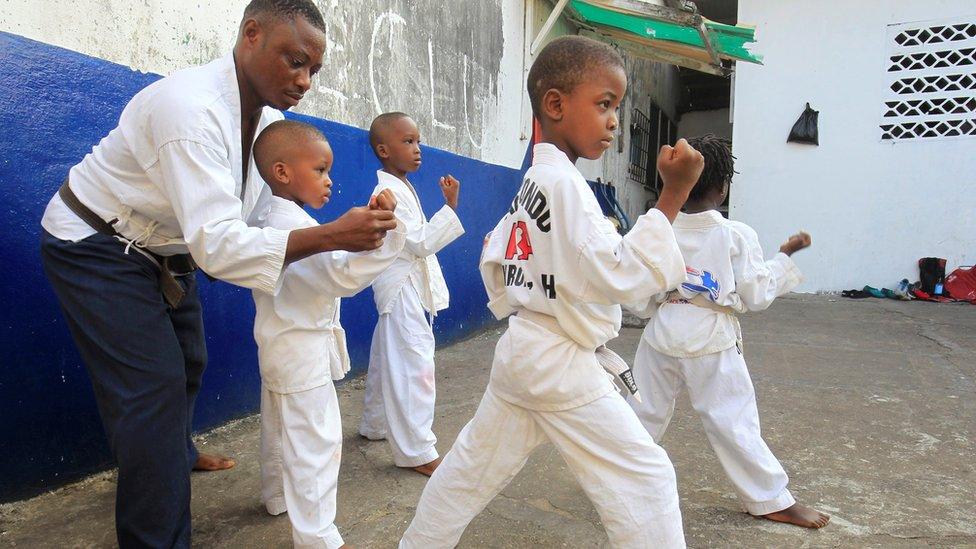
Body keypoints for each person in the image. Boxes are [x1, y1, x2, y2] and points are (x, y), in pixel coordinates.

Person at [38, 2, 396, 546]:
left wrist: (345, 236)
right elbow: (219, 248)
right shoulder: (190, 109)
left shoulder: (269, 120)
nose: (303, 81)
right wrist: (329, 236)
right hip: (96, 240)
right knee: (152, 397)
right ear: (251, 34)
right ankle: (157, 525)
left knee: (189, 363)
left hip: (165, 245)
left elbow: (262, 213)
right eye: (294, 61)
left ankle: (172, 454)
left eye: (313, 71)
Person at [399, 36, 704, 548]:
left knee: (467, 473)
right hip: (559, 364)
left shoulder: (534, 181)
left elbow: (494, 256)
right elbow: (622, 277)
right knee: (646, 479)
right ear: (556, 104)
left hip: (524, 351)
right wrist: (673, 195)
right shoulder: (563, 187)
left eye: (618, 107)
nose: (613, 121)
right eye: (604, 104)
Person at [627, 134, 829, 529]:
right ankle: (768, 498)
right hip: (711, 341)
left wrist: (661, 306)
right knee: (732, 419)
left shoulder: (655, 228)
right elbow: (755, 293)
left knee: (641, 413)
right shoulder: (736, 235)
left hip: (661, 332)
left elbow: (637, 291)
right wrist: (783, 258)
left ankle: (615, 478)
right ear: (722, 189)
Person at [251, 120, 406, 548]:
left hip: (278, 345)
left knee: (280, 429)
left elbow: (330, 252)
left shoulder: (268, 215)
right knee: (316, 444)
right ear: (283, 173)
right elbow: (342, 274)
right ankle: (318, 537)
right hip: (301, 353)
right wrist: (385, 235)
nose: (329, 181)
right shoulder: (292, 229)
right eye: (319, 170)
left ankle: (276, 496)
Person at [358, 113, 464, 477]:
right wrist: (449, 208)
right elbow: (419, 243)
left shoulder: (400, 186)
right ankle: (417, 451)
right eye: (408, 142)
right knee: (414, 364)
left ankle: (375, 424)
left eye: (418, 141)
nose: (417, 150)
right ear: (384, 150)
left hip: (403, 284)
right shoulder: (387, 193)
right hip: (401, 285)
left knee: (386, 355)